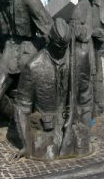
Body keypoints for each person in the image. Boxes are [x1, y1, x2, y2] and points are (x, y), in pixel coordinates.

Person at [14, 18, 73, 160]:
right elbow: (22, 107)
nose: (62, 51)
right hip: (46, 127)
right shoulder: (33, 67)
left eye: (65, 47)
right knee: (49, 154)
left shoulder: (72, 58)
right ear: (50, 41)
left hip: (69, 122)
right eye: (59, 47)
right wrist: (25, 144)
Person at [70, 0, 104, 120]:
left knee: (98, 78)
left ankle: (98, 106)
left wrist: (102, 34)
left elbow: (101, 27)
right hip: (84, 51)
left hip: (95, 49)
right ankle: (88, 111)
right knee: (88, 79)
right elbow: (74, 27)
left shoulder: (96, 8)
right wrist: (92, 32)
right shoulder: (81, 6)